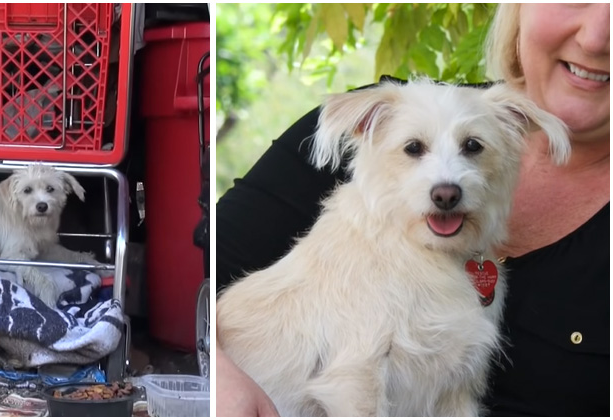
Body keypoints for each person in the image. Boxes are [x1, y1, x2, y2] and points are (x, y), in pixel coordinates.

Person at [216, 3, 609, 416]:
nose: (446, 185)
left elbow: (455, 399)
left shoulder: (495, 129)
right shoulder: (357, 225)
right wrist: (220, 376)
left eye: (472, 148)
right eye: (413, 149)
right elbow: (355, 378)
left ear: (514, 138)